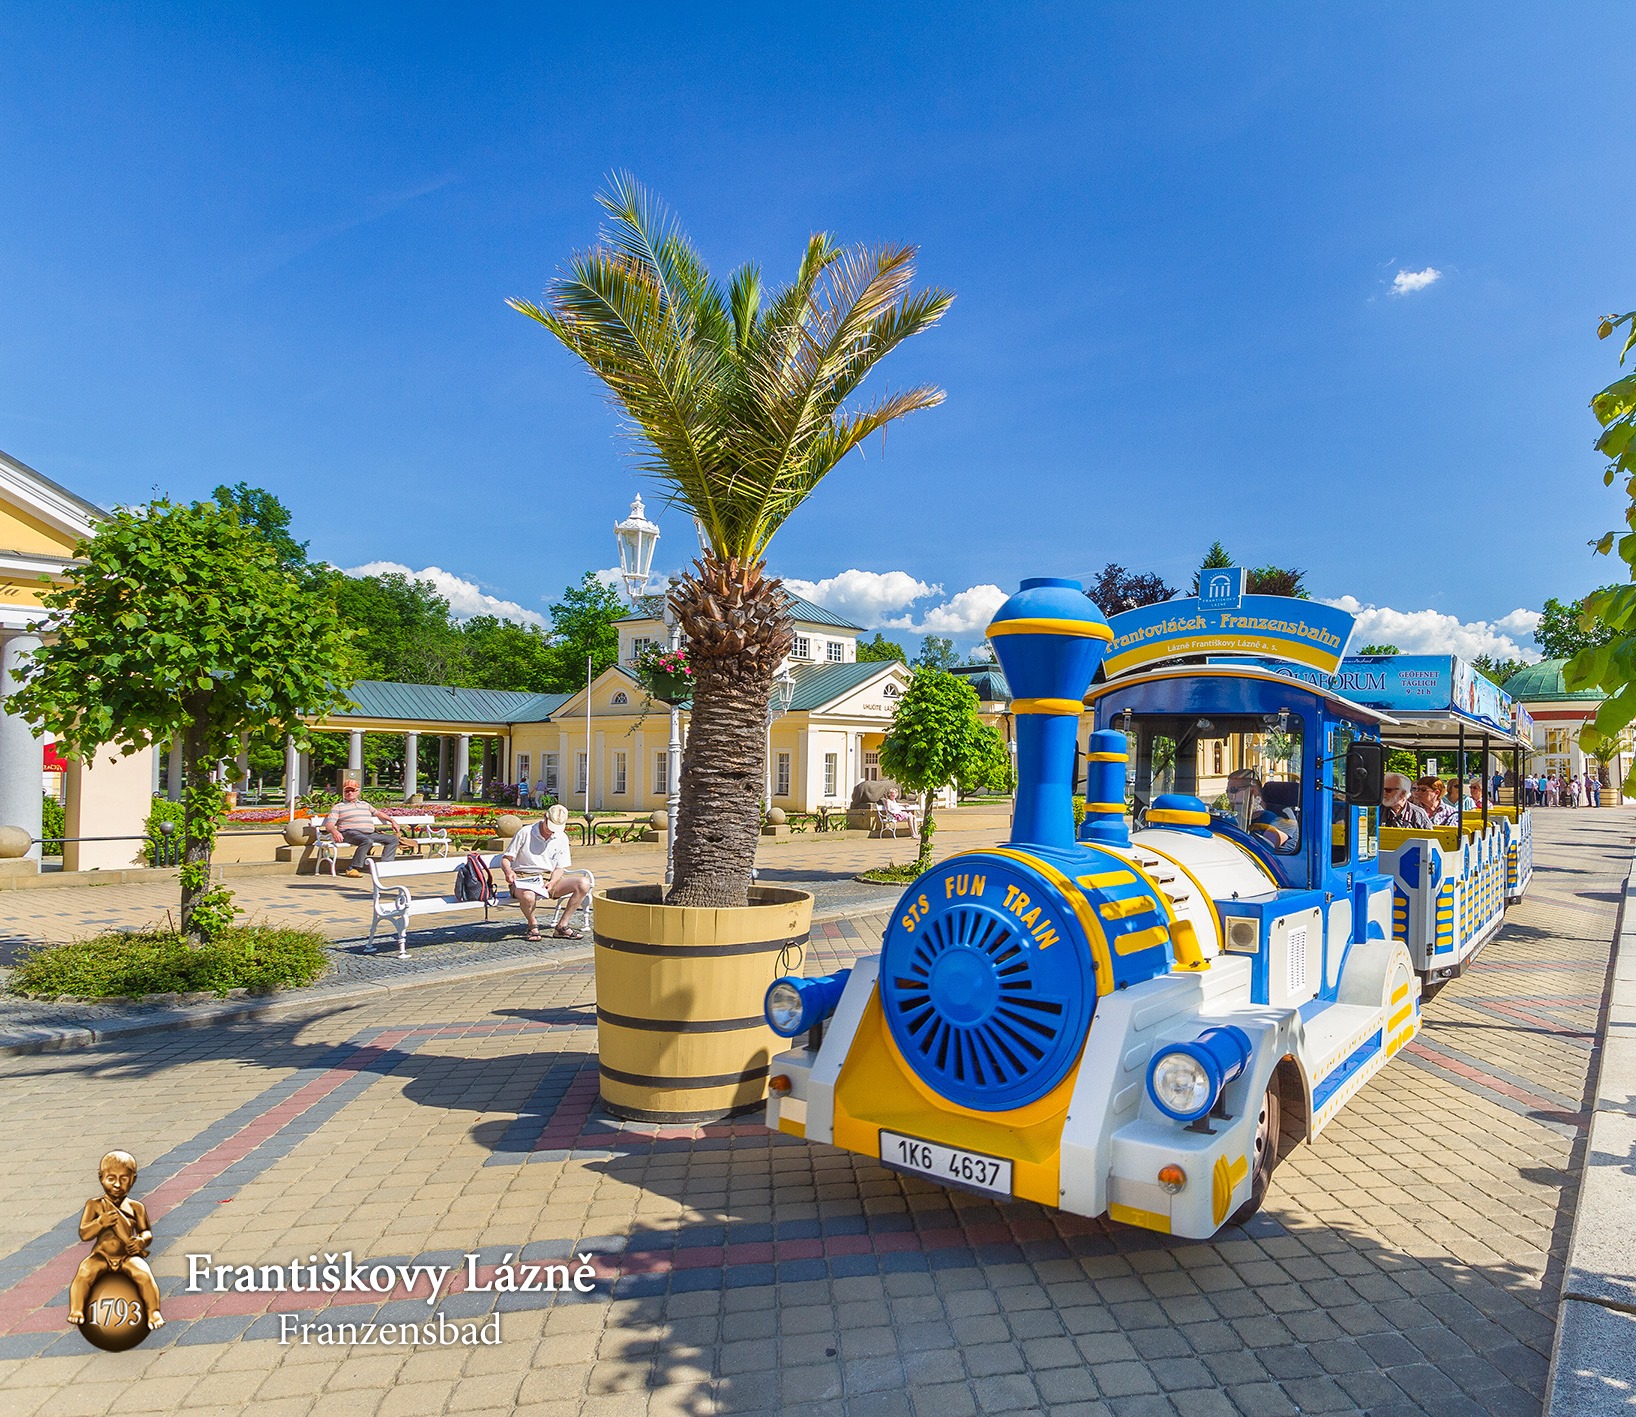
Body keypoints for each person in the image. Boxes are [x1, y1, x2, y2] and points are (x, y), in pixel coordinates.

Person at [68, 1151, 164, 1330]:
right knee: (84, 1273)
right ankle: (77, 1309)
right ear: (101, 1178)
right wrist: (100, 1222)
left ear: (133, 1179)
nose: (118, 1184)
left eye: (124, 1179)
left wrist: (141, 1241)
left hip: (127, 1255)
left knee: (144, 1275)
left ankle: (153, 1311)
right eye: (111, 1178)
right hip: (102, 1255)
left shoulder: (137, 1207)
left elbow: (146, 1232)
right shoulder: (95, 1205)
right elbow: (84, 1233)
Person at [501, 803, 591, 941]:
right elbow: (506, 859)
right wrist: (509, 872)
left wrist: (553, 881)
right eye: (550, 827)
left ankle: (562, 926)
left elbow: (560, 867)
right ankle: (533, 926)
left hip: (548, 878)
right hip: (523, 878)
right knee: (529, 896)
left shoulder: (561, 837)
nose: (551, 831)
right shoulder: (525, 832)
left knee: (584, 883)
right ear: (544, 817)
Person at [325, 779, 401, 877]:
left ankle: (385, 866)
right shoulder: (338, 807)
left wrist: (392, 821)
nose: (349, 793)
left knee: (392, 839)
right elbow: (329, 824)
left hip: (368, 833)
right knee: (367, 841)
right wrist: (334, 832)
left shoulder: (365, 804)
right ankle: (352, 868)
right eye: (347, 791)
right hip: (349, 833)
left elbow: (378, 813)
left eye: (352, 790)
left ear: (358, 791)